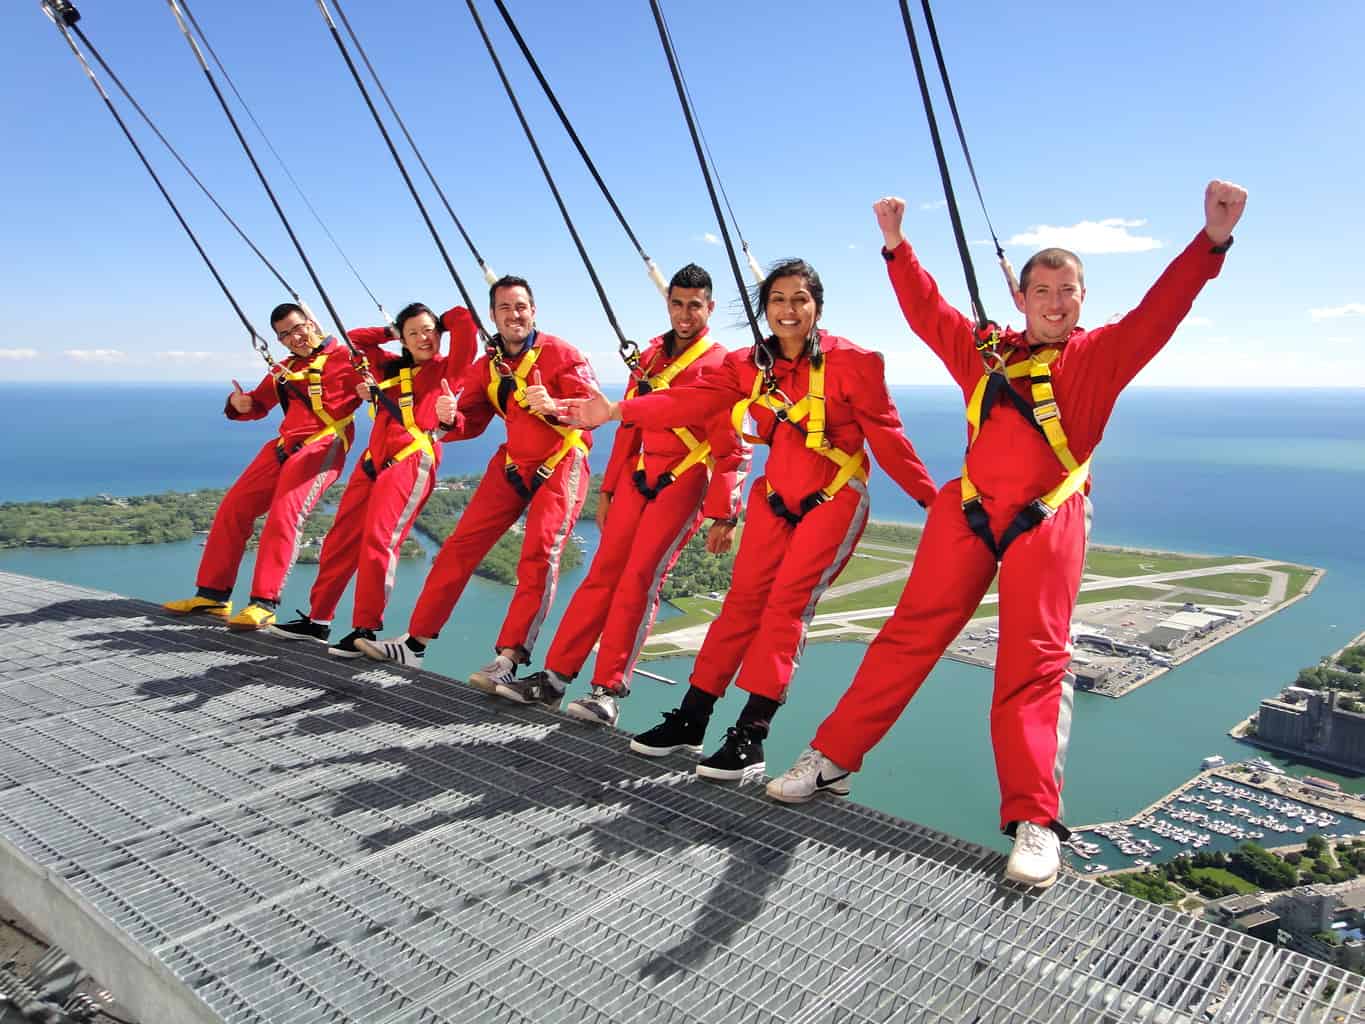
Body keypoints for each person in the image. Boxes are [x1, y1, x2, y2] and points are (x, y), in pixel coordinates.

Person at [767, 181, 1248, 890]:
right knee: (905, 637)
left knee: (1033, 662)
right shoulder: (986, 353)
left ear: (1081, 299)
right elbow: (930, 315)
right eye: (1042, 290)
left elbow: (1160, 311)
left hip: (1046, 516)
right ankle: (832, 758)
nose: (1054, 302)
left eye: (1066, 291)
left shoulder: (1099, 356)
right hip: (967, 509)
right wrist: (896, 248)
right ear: (1020, 297)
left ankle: (1035, 821)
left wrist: (1210, 242)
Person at [556, 259, 937, 780]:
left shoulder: (855, 363)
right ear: (765, 309)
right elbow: (690, 401)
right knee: (738, 608)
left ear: (817, 306)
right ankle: (692, 718)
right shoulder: (749, 365)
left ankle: (750, 735)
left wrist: (931, 502)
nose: (788, 309)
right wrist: (618, 412)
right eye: (777, 299)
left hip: (834, 499)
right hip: (773, 498)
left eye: (799, 299)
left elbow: (889, 438)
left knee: (785, 610)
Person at [501, 263, 748, 724]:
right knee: (601, 575)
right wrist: (610, 489)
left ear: (710, 308)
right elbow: (628, 428)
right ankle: (554, 677)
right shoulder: (650, 358)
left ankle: (607, 690)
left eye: (695, 306)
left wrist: (725, 513)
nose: (685, 314)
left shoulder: (722, 364)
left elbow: (732, 446)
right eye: (677, 304)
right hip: (638, 476)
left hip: (684, 477)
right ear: (668, 304)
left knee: (639, 580)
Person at [357, 276, 599, 684]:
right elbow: (469, 422)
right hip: (513, 463)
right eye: (505, 308)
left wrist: (555, 405)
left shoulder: (562, 354)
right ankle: (414, 644)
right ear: (493, 315)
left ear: (533, 311)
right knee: (457, 548)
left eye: (520, 306)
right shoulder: (488, 366)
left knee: (538, 556)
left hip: (562, 461)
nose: (514, 315)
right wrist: (450, 418)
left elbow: (596, 409)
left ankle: (508, 660)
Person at [265, 302, 478, 655]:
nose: (423, 338)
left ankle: (365, 629)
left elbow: (466, 320)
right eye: (413, 333)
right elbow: (352, 341)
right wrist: (391, 331)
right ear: (402, 340)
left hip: (411, 460)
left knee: (379, 542)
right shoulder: (388, 367)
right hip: (372, 463)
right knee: (339, 541)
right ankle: (318, 621)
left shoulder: (448, 368)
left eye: (428, 331)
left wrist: (439, 322)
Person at [163, 304, 384, 629]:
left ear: (311, 323)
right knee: (233, 508)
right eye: (285, 335)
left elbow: (388, 384)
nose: (294, 337)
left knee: (284, 516)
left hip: (323, 446)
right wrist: (240, 404)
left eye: (297, 328)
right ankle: (212, 596)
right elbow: (258, 403)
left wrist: (373, 391)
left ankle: (263, 603)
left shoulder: (348, 357)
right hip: (283, 446)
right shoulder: (285, 368)